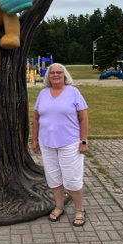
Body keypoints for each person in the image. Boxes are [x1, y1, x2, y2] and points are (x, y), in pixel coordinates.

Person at [32, 63, 88, 226]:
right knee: (53, 177)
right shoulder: (42, 94)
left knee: (72, 178)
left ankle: (79, 209)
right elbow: (36, 118)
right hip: (47, 143)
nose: (56, 75)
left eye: (59, 72)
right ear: (48, 76)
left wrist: (83, 141)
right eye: (52, 73)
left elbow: (83, 118)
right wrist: (34, 140)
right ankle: (59, 205)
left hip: (69, 143)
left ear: (64, 75)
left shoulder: (73, 92)